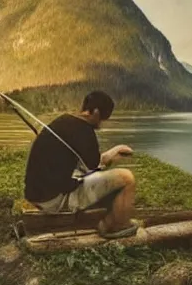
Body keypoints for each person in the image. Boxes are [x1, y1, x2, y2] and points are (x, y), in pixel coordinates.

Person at [24, 90, 139, 239]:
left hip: (35, 194)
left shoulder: (64, 121)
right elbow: (93, 167)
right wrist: (111, 156)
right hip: (53, 201)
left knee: (86, 175)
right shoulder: (85, 131)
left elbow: (89, 163)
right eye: (103, 118)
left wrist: (113, 152)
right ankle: (116, 225)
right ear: (96, 112)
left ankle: (112, 218)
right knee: (127, 178)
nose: (102, 123)